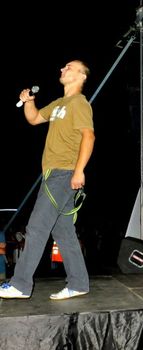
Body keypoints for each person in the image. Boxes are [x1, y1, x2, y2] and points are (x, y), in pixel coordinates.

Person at [0, 60, 95, 300]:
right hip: (53, 173)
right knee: (63, 232)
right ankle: (79, 283)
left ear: (82, 76)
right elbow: (33, 119)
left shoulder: (79, 103)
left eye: (69, 67)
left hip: (63, 173)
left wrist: (79, 171)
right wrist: (29, 102)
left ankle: (20, 285)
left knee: (37, 227)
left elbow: (89, 136)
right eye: (63, 66)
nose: (63, 69)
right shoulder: (59, 104)